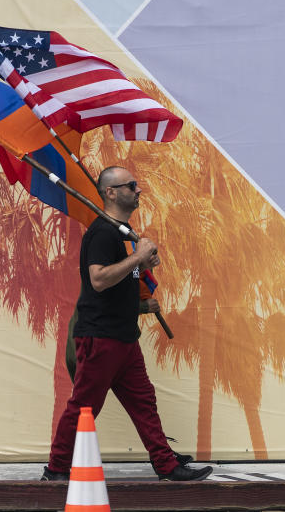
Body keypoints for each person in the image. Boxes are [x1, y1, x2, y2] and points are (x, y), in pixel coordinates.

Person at [42, 166, 212, 482]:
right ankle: (56, 469)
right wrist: (137, 258)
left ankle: (166, 465)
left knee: (144, 404)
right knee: (83, 408)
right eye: (131, 185)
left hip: (123, 339)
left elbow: (118, 288)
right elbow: (98, 280)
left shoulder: (121, 233)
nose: (138, 190)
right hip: (100, 339)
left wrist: (141, 303)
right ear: (110, 192)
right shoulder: (103, 233)